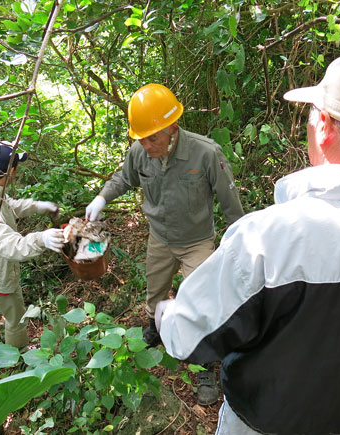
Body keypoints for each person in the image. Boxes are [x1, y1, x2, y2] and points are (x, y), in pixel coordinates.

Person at [156, 49, 340, 434]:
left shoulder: (267, 238)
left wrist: (164, 314)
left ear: (324, 125)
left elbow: (187, 337)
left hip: (256, 426)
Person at [85, 83, 244, 405]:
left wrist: (239, 240)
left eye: (152, 137)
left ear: (173, 128)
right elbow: (123, 178)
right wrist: (101, 197)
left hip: (196, 242)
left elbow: (230, 202)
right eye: (141, 138)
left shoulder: (206, 152)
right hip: (159, 237)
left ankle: (203, 365)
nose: (146, 145)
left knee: (200, 305)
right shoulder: (140, 152)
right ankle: (155, 329)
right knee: (154, 293)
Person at [0, 142, 65, 350]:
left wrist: (37, 206)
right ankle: (17, 354)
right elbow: (8, 245)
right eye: (17, 167)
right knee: (16, 319)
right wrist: (41, 239)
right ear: (11, 171)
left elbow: (7, 206)